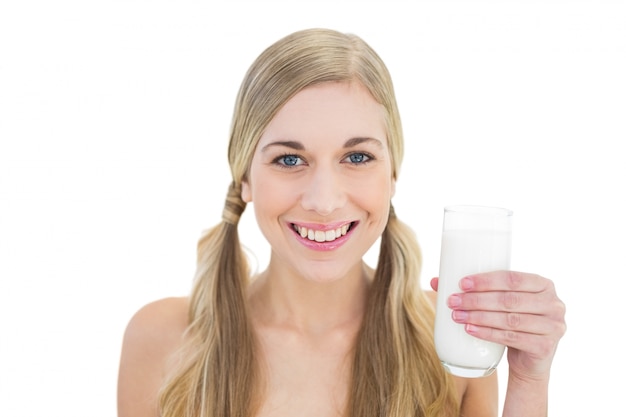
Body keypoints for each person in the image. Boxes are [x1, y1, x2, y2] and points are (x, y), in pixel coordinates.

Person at [117, 28, 566, 417]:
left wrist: (530, 381)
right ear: (245, 177)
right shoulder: (163, 338)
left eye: (357, 157)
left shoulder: (449, 339)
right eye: (290, 159)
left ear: (391, 176)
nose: (324, 202)